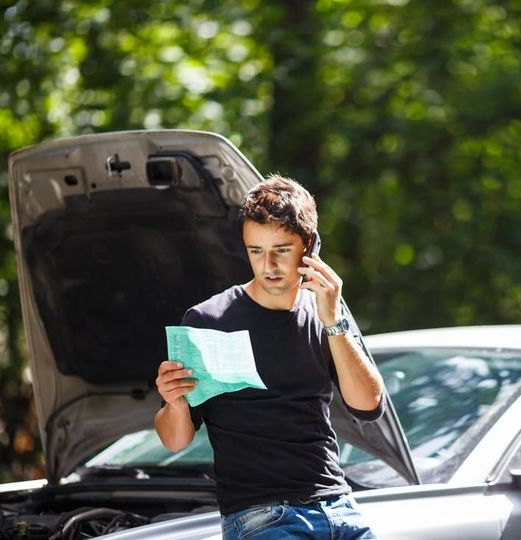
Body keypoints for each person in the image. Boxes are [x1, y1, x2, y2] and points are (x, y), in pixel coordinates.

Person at [154, 174, 383, 539]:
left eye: (282, 249)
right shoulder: (209, 320)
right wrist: (174, 403)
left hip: (339, 507)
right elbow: (175, 440)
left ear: (308, 246)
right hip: (262, 518)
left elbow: (369, 406)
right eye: (256, 251)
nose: (268, 266)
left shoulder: (326, 310)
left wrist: (333, 320)